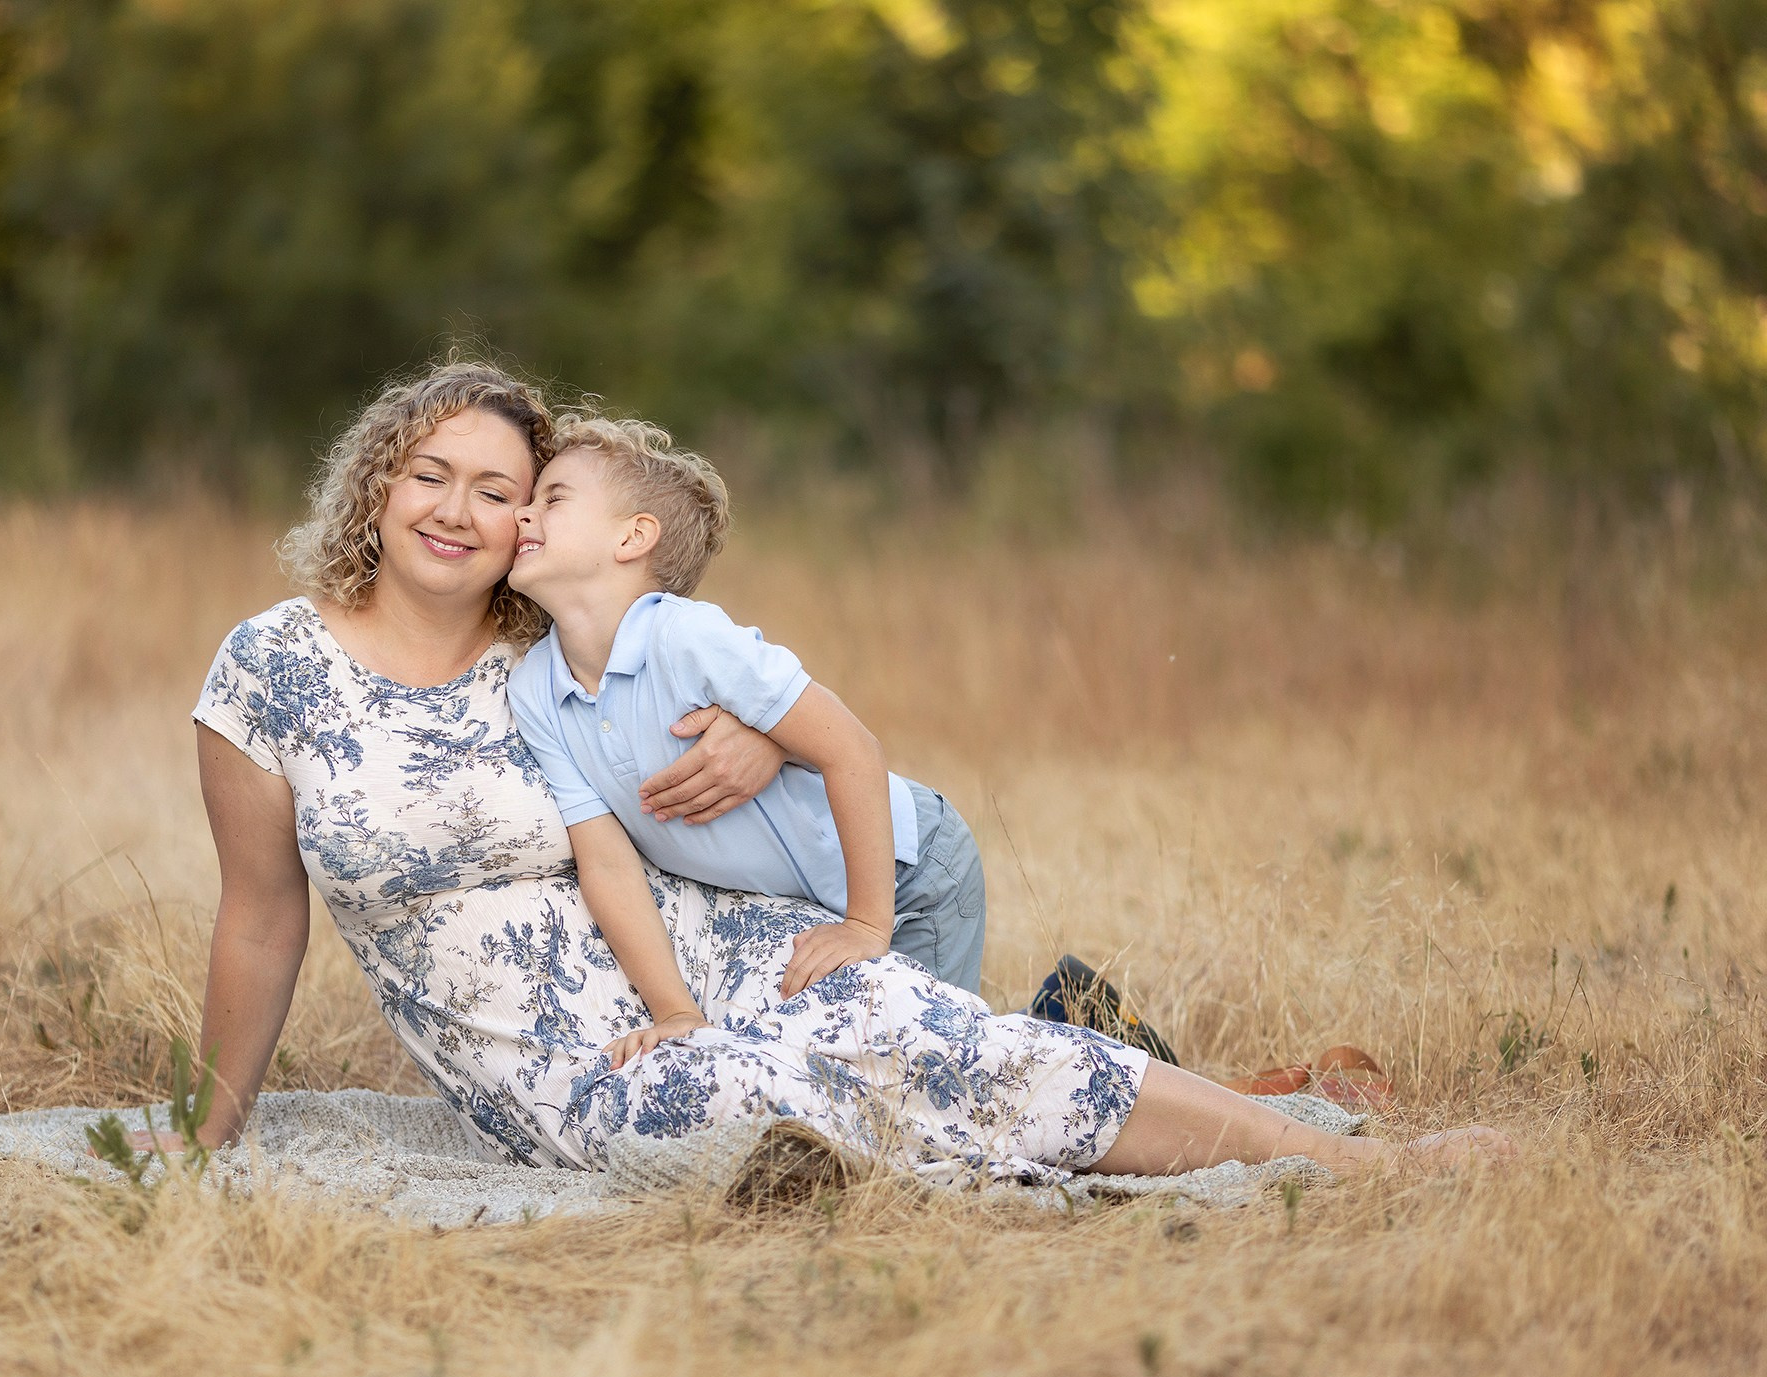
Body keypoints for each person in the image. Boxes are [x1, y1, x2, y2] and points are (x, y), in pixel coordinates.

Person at [146, 356, 1511, 1185]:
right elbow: (264, 915)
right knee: (785, 1095)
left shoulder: (546, 648)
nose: (458, 509)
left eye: (499, 488)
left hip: (705, 942)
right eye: (430, 474)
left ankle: (1339, 1163)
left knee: (928, 1033)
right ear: (377, 484)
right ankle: (1224, 1110)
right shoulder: (272, 668)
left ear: (527, 523)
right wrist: (210, 1133)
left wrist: (743, 741)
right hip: (561, 1052)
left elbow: (694, 664)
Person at [503, 416, 987, 1069]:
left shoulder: (689, 640)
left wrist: (869, 925)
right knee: (856, 1079)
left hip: (909, 872)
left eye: (551, 498)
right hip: (801, 909)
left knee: (942, 1074)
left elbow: (853, 749)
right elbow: (608, 865)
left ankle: (1086, 1027)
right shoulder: (536, 686)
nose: (521, 516)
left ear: (632, 535)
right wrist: (676, 1010)